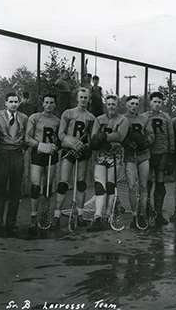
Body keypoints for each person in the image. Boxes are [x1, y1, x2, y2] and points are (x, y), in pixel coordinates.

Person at [54, 87, 96, 228]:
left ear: (89, 99)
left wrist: (85, 146)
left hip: (82, 152)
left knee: (81, 183)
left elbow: (91, 139)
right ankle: (57, 215)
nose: (83, 100)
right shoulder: (68, 113)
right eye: (81, 97)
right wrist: (72, 143)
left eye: (86, 97)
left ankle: (80, 215)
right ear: (77, 98)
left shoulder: (91, 117)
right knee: (63, 183)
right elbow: (61, 134)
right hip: (68, 150)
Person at [88, 95, 129, 231]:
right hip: (101, 156)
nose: (111, 106)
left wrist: (104, 137)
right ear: (106, 105)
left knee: (111, 186)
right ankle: (98, 217)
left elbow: (120, 137)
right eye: (109, 104)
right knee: (100, 185)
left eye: (114, 104)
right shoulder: (99, 119)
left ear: (118, 105)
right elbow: (94, 138)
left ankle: (108, 216)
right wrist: (97, 140)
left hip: (115, 156)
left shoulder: (123, 120)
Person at [0, 92, 29, 237]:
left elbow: (27, 137)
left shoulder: (24, 118)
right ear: (5, 103)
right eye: (11, 102)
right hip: (2, 154)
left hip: (17, 155)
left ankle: (11, 224)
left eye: (16, 102)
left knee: (15, 190)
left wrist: (21, 150)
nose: (14, 104)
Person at [25, 94, 61, 235]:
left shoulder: (57, 121)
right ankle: (33, 216)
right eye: (46, 102)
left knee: (47, 187)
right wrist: (40, 145)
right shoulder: (34, 117)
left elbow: (60, 138)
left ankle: (45, 215)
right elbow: (27, 138)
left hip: (51, 156)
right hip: (38, 154)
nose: (49, 105)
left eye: (52, 102)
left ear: (55, 104)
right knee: (35, 186)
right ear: (42, 104)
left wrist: (56, 146)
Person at [142, 92, 175, 225]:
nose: (157, 104)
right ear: (150, 102)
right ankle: (146, 209)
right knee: (147, 182)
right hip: (148, 153)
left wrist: (171, 153)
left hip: (162, 153)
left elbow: (171, 136)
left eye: (159, 102)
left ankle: (159, 213)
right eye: (154, 101)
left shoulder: (166, 117)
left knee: (160, 183)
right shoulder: (144, 117)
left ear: (162, 103)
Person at [123, 95, 155, 229]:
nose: (134, 106)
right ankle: (134, 214)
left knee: (143, 185)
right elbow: (119, 135)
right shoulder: (122, 118)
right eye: (131, 103)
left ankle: (142, 215)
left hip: (143, 155)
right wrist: (126, 142)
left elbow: (151, 135)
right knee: (132, 186)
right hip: (130, 155)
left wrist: (145, 143)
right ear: (127, 105)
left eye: (136, 104)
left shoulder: (144, 118)